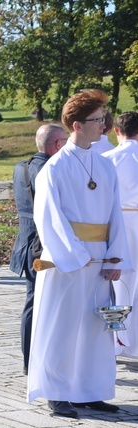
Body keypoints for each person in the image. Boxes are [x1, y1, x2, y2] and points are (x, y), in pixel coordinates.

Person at [28, 89, 132, 419]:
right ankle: (57, 392)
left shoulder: (105, 166)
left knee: (95, 327)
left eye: (105, 118)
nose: (104, 124)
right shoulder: (55, 169)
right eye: (97, 119)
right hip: (67, 263)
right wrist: (74, 255)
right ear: (77, 125)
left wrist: (117, 258)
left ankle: (89, 391)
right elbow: (48, 218)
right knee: (63, 324)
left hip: (100, 259)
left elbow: (116, 214)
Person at [9, 124, 68, 375]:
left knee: (32, 301)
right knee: (39, 302)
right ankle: (34, 359)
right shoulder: (49, 171)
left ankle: (28, 359)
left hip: (25, 242)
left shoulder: (20, 167)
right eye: (65, 142)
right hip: (40, 248)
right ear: (56, 145)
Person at [104, 111, 138, 357]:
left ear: (117, 131)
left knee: (119, 286)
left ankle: (120, 342)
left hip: (120, 225)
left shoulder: (108, 158)